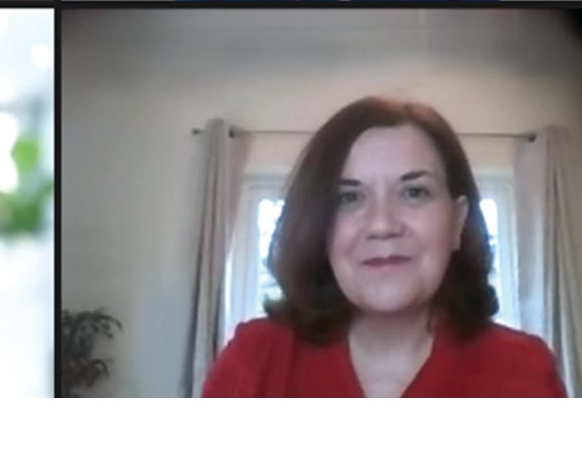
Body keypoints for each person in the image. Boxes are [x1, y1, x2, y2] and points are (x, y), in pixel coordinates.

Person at [202, 97, 563, 397]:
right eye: (350, 197)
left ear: (457, 221)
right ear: (321, 225)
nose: (382, 224)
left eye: (414, 192)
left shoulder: (526, 373)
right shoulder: (253, 361)